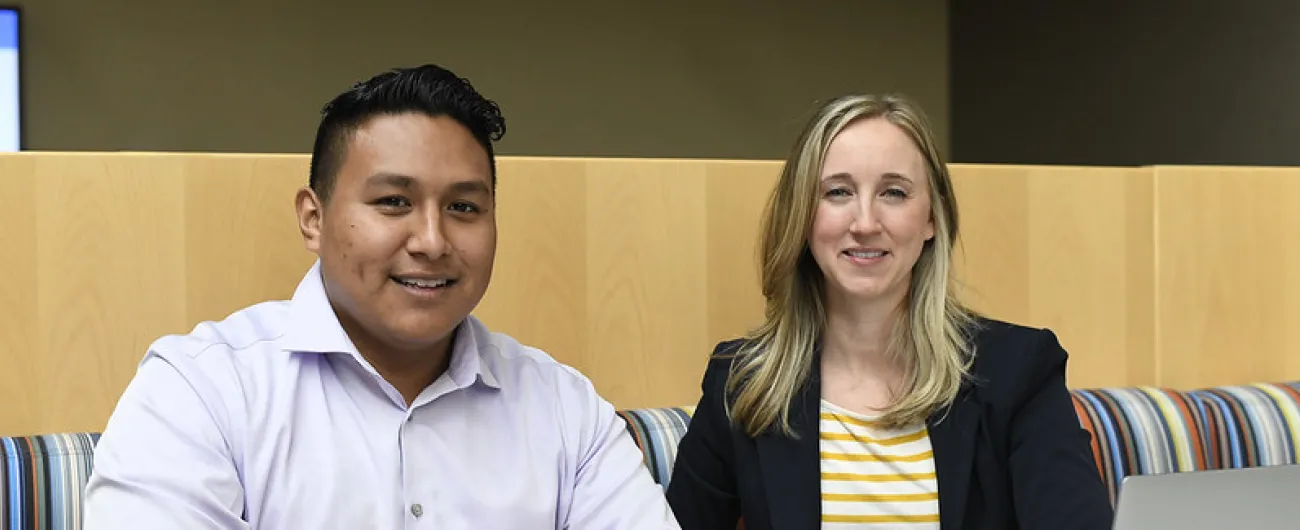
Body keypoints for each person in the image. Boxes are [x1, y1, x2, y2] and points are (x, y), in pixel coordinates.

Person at [83, 64, 681, 530]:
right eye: (393, 202)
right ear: (313, 219)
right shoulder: (201, 391)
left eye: (464, 207)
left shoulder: (563, 410)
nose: (431, 240)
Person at [664, 94, 1114, 529]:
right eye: (837, 192)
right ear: (802, 216)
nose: (864, 223)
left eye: (894, 193)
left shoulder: (1019, 368)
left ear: (932, 219)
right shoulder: (743, 382)